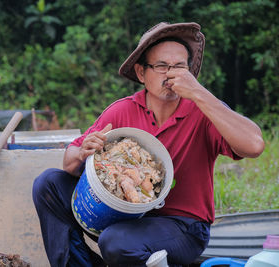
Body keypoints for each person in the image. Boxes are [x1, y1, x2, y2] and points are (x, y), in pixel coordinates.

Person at [32, 22, 265, 267]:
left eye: (179, 67)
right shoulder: (122, 110)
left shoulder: (204, 111)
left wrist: (198, 92)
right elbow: (69, 163)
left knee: (116, 241)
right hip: (121, 213)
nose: (170, 74)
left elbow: (254, 145)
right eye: (162, 66)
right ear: (142, 73)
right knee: (49, 184)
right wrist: (82, 151)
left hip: (182, 226)